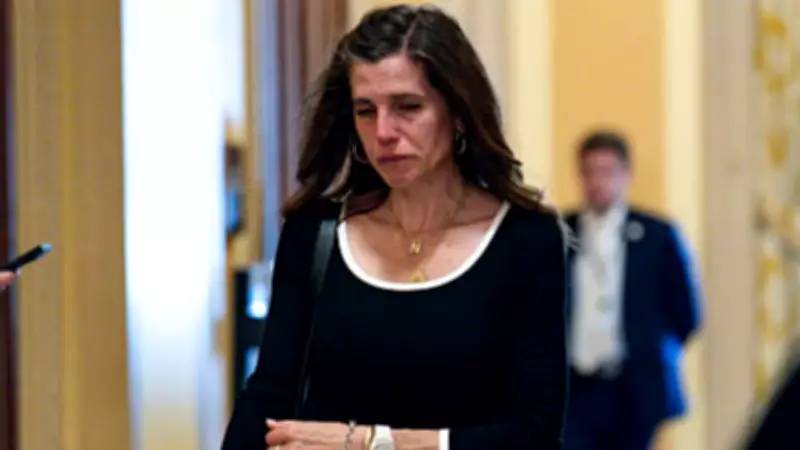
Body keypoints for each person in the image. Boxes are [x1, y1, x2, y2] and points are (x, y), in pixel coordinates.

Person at [221, 4, 567, 450]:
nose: (383, 131)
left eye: (407, 107)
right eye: (366, 111)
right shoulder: (316, 233)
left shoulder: (525, 239)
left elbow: (534, 432)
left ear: (458, 112)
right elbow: (268, 396)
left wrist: (369, 443)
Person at [562, 130, 702, 450]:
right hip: (574, 388)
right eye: (590, 172)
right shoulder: (559, 232)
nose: (598, 182)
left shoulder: (656, 236)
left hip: (631, 388)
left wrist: (650, 346)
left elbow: (686, 313)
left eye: (607, 171)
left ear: (625, 175)